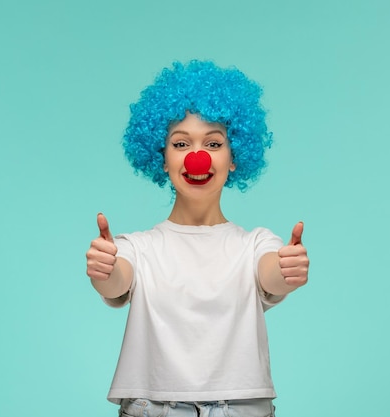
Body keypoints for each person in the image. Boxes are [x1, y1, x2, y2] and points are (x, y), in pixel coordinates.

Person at [86, 60, 309, 417]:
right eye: (180, 143)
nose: (197, 157)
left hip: (242, 408)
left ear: (234, 157)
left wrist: (287, 271)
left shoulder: (255, 244)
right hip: (153, 407)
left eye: (213, 143)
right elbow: (116, 282)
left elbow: (271, 273)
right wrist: (105, 269)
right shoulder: (137, 247)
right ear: (162, 158)